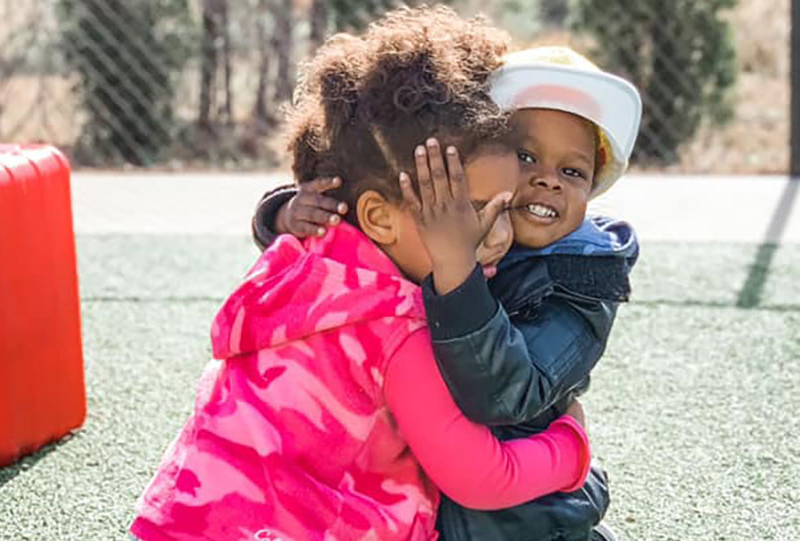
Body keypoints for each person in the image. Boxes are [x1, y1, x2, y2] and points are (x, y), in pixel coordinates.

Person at [129, 10, 593, 541]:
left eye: (505, 209)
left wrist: (279, 214)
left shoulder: (303, 252)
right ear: (378, 216)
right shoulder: (398, 331)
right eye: (471, 210)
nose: (498, 236)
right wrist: (569, 445)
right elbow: (483, 478)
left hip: (181, 521)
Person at [252, 46, 642, 541]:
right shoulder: (456, 220)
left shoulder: (583, 279)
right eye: (525, 157)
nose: (547, 179)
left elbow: (504, 394)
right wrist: (286, 214)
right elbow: (375, 219)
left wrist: (458, 270)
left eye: (574, 171)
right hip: (423, 500)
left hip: (523, 516)